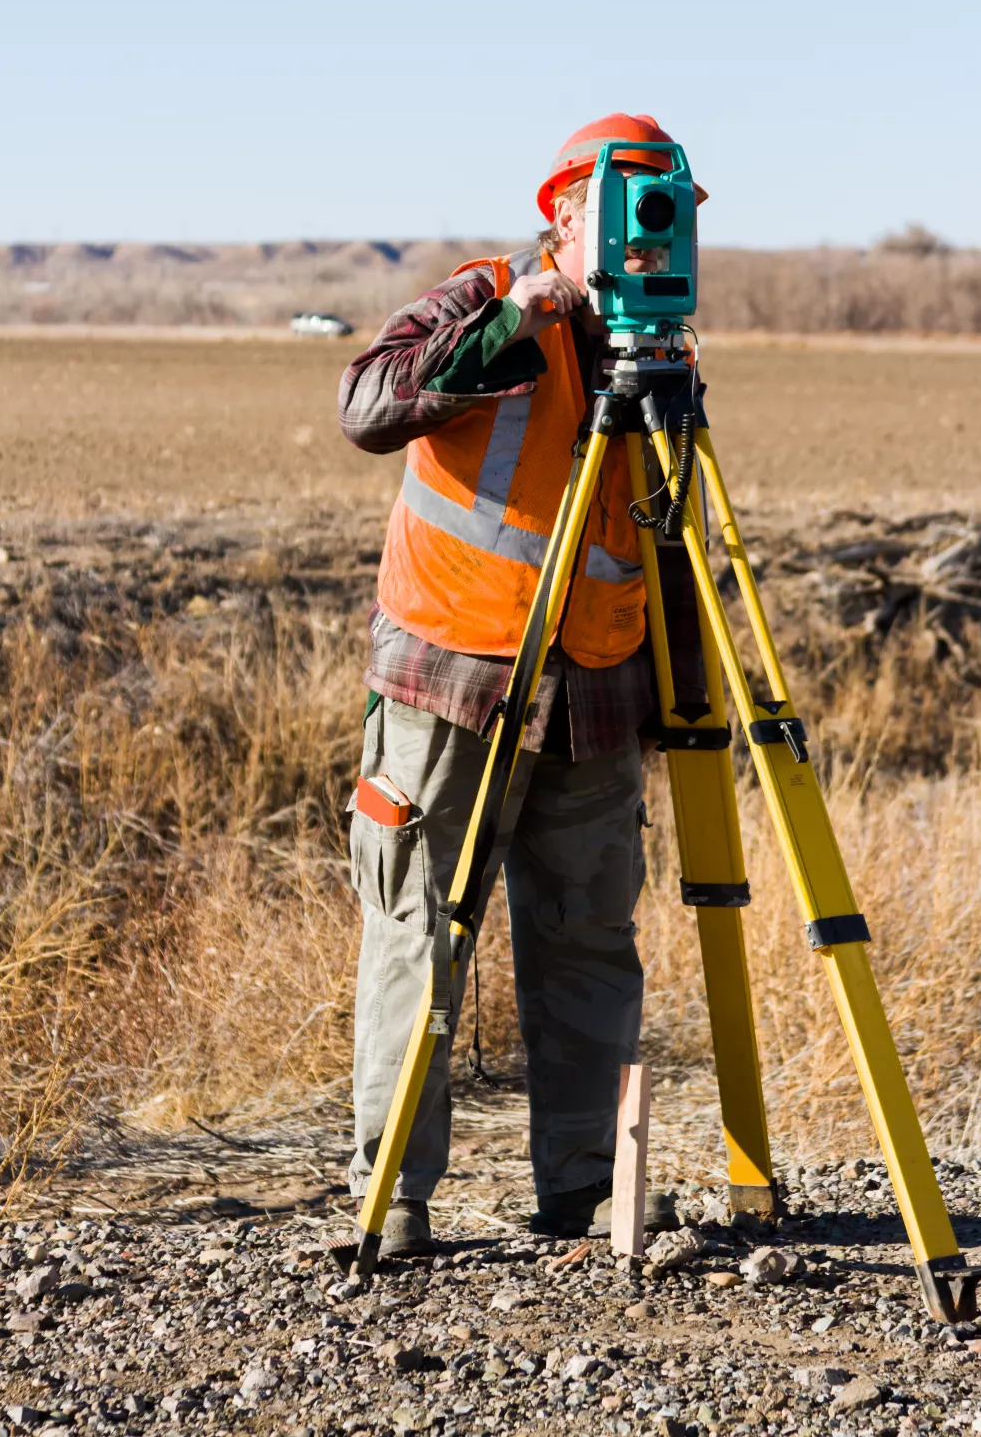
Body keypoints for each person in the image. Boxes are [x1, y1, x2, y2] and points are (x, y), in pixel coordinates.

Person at [337, 113, 709, 1256]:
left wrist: (686, 702)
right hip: (452, 681)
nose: (646, 233)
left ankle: (586, 1190)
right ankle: (393, 1195)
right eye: (624, 207)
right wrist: (522, 316)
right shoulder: (485, 296)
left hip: (595, 692)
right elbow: (368, 404)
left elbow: (668, 534)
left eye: (667, 211)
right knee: (418, 936)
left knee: (590, 940)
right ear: (563, 211)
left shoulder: (664, 354)